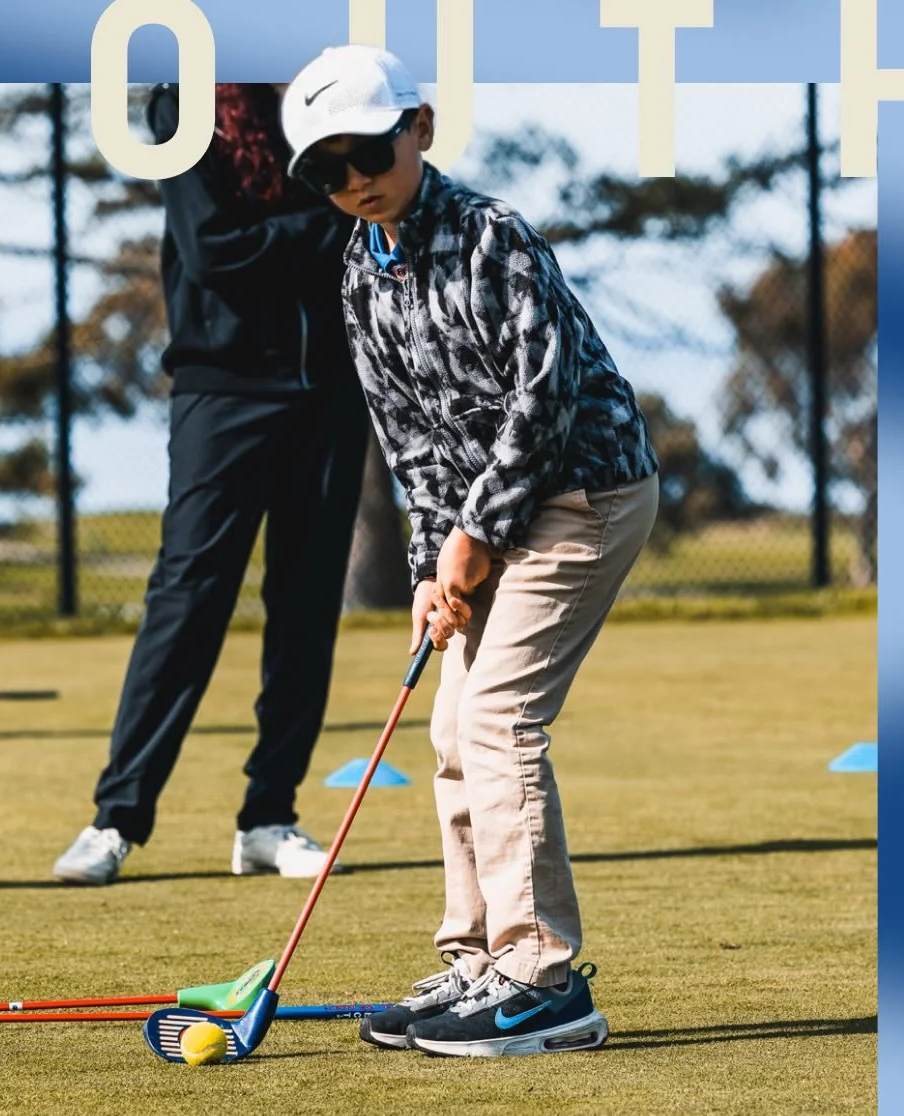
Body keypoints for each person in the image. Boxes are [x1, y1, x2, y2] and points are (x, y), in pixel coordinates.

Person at [281, 47, 660, 1056]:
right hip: (483, 522)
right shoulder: (361, 273)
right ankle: (478, 958)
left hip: (586, 493)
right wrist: (426, 568)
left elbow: (543, 399)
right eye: (327, 169)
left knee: (498, 716)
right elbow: (408, 442)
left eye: (369, 150)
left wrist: (475, 537)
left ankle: (544, 977)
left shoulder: (493, 238)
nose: (355, 179)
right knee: (452, 726)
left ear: (422, 127)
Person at [54, 83, 367, 885]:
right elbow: (213, 248)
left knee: (305, 604)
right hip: (223, 389)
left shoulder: (326, 97)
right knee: (188, 596)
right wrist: (334, 218)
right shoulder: (181, 109)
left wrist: (324, 220)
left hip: (332, 392)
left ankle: (270, 817)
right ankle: (117, 819)